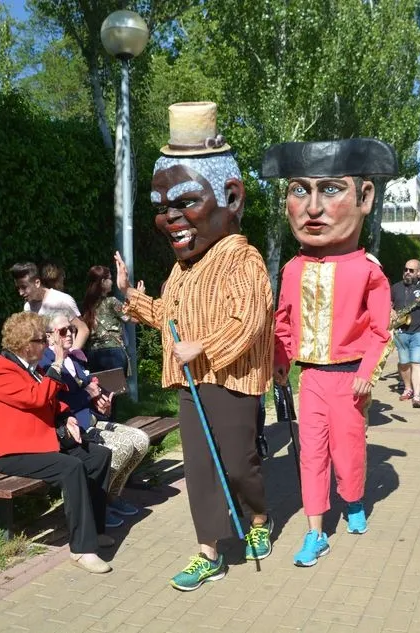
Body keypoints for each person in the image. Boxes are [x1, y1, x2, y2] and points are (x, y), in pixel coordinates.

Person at [114, 102, 274, 591]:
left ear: (231, 197)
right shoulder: (182, 269)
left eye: (185, 202)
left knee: (238, 465)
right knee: (200, 468)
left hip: (233, 382)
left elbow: (249, 321)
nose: (170, 218)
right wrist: (132, 297)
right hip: (191, 383)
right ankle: (209, 551)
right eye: (161, 207)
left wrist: (201, 347)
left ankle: (259, 517)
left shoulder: (243, 258)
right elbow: (169, 317)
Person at [263, 138, 396, 567]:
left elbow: (380, 330)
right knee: (312, 454)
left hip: (349, 379)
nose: (313, 208)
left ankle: (353, 499)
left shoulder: (368, 271)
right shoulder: (292, 269)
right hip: (312, 379)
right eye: (299, 190)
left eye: (331, 190)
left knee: (349, 451)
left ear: (365, 198)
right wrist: (281, 360)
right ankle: (315, 531)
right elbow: (283, 322)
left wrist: (367, 372)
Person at [0, 312, 114, 574]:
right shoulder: (0, 371)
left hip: (41, 442)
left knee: (98, 456)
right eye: (41, 340)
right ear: (25, 345)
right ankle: (82, 550)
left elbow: (54, 401)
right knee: (71, 468)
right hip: (14, 452)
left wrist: (67, 417)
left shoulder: (32, 368)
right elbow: (37, 398)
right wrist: (58, 362)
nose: (46, 344)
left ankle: (95, 531)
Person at [40, 313, 149, 527]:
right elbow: (56, 403)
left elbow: (90, 391)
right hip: (72, 429)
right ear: (49, 336)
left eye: (72, 329)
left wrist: (102, 405)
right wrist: (87, 395)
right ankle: (96, 504)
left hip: (91, 420)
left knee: (140, 440)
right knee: (122, 448)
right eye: (63, 331)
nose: (70, 334)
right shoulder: (46, 363)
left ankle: (111, 496)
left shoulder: (73, 359)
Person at [391, 259, 420, 407]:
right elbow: (387, 305)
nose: (407, 272)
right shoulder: (396, 287)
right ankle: (408, 388)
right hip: (400, 330)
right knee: (404, 363)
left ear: (419, 272)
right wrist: (390, 311)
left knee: (417, 362)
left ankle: (417, 395)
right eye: (406, 269)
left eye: (411, 270)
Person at [10, 262, 87, 351]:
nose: (20, 293)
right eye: (18, 288)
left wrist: (72, 354)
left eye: (24, 287)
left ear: (37, 283)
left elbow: (83, 329)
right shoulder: (28, 307)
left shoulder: (62, 300)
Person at [80, 265, 130, 375]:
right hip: (113, 352)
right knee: (117, 385)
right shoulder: (111, 302)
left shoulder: (86, 305)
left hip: (92, 354)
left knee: (98, 386)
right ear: (103, 282)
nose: (112, 282)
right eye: (110, 278)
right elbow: (131, 318)